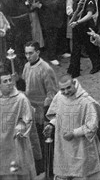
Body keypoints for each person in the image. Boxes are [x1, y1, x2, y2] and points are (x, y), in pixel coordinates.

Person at [45, 74, 100, 180]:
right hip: (64, 146)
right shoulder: (59, 97)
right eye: (62, 89)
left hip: (82, 146)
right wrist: (51, 124)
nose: (66, 92)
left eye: (68, 87)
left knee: (84, 174)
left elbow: (92, 126)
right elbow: (58, 115)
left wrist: (74, 133)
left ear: (74, 84)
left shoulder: (86, 101)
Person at [22, 41, 58, 176]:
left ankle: (50, 170)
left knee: (45, 143)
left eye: (31, 53)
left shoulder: (46, 69)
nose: (28, 56)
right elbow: (26, 85)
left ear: (38, 52)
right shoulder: (26, 66)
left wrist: (45, 113)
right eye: (26, 53)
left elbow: (51, 93)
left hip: (42, 111)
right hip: (29, 109)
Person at [0, 65, 36, 180]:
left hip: (17, 142)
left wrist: (21, 127)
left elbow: (27, 118)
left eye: (10, 80)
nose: (9, 83)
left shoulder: (21, 98)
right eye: (5, 81)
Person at [66, 0, 100, 77]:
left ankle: (97, 65)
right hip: (76, 25)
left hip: (86, 25)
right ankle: (74, 69)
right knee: (76, 48)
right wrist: (71, 13)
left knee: (90, 46)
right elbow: (71, 6)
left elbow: (89, 14)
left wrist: (78, 22)